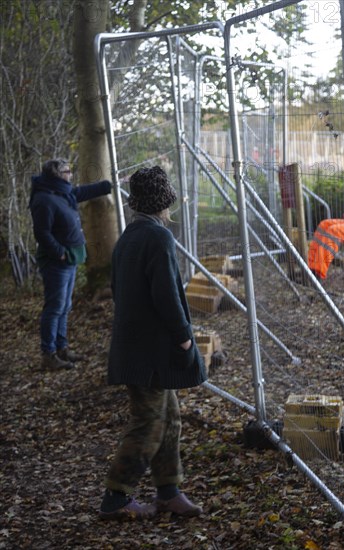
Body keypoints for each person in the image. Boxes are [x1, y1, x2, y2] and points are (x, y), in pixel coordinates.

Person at [99, 165, 207, 521]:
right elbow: (167, 295)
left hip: (139, 349)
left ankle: (168, 492)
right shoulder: (157, 237)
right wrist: (184, 339)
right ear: (164, 202)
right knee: (148, 422)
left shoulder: (128, 237)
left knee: (170, 417)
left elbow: (119, 292)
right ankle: (116, 498)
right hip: (149, 352)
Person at [29, 158, 112, 370]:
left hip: (71, 257)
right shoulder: (44, 198)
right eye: (67, 171)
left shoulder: (62, 192)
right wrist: (60, 253)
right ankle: (48, 355)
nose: (70, 174)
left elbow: (82, 192)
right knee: (55, 307)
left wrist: (112, 184)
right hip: (57, 262)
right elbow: (42, 233)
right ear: (57, 174)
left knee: (64, 306)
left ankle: (62, 348)